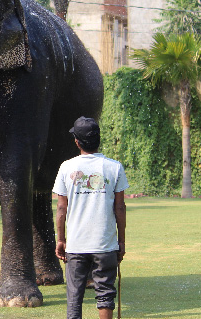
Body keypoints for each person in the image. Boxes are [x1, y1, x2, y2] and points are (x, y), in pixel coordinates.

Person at [53, 116, 128, 319]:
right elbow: (120, 208)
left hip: (76, 244)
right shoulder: (114, 167)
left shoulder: (66, 167)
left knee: (74, 298)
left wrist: (60, 240)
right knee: (105, 294)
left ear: (76, 142)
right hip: (105, 244)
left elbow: (61, 208)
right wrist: (120, 241)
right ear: (98, 139)